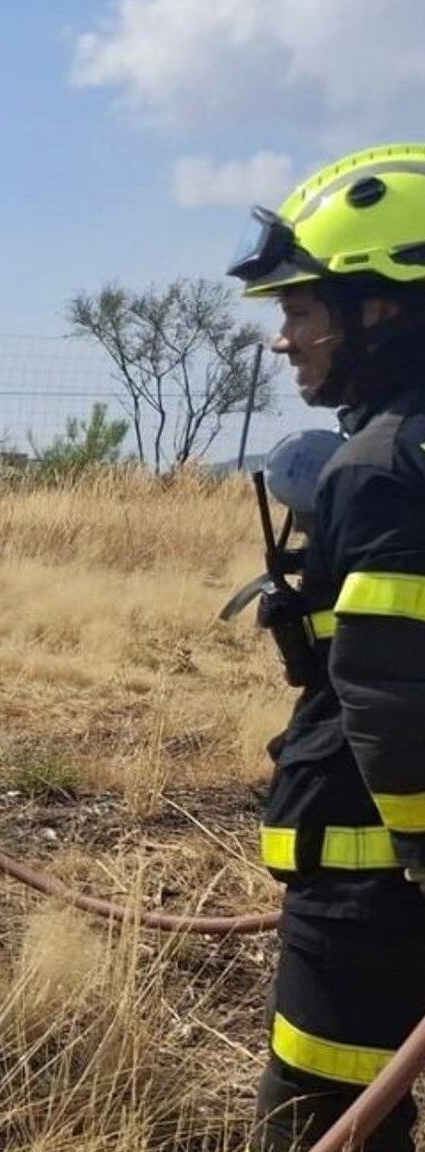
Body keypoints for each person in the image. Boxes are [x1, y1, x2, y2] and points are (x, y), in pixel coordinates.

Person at [227, 142, 425, 1150]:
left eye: (303, 312)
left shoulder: (382, 467)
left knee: (324, 1119)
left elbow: (393, 699)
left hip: (369, 895)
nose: (286, 340)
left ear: (382, 308)